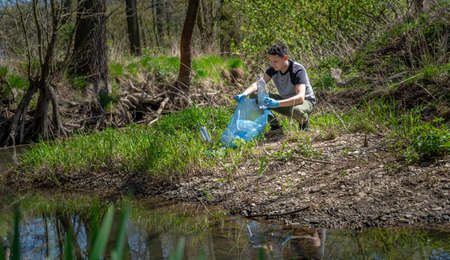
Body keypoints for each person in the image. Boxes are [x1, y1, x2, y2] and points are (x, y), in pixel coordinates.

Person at [235, 42, 316, 132]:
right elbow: (258, 84)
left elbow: (300, 98)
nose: (273, 64)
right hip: (285, 100)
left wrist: (277, 103)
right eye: (271, 61)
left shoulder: (297, 70)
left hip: (305, 102)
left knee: (297, 111)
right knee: (254, 96)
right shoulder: (272, 69)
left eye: (276, 61)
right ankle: (275, 126)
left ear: (285, 58)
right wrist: (244, 93)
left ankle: (304, 125)